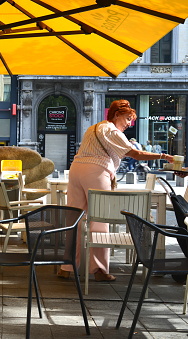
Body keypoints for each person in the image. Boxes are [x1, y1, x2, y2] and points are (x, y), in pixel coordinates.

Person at [57, 99, 174, 282]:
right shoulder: (111, 130)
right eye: (128, 119)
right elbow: (135, 154)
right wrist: (164, 156)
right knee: (99, 218)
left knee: (75, 218)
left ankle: (66, 267)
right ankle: (99, 270)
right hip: (96, 170)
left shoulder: (94, 128)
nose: (129, 124)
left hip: (76, 169)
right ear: (117, 115)